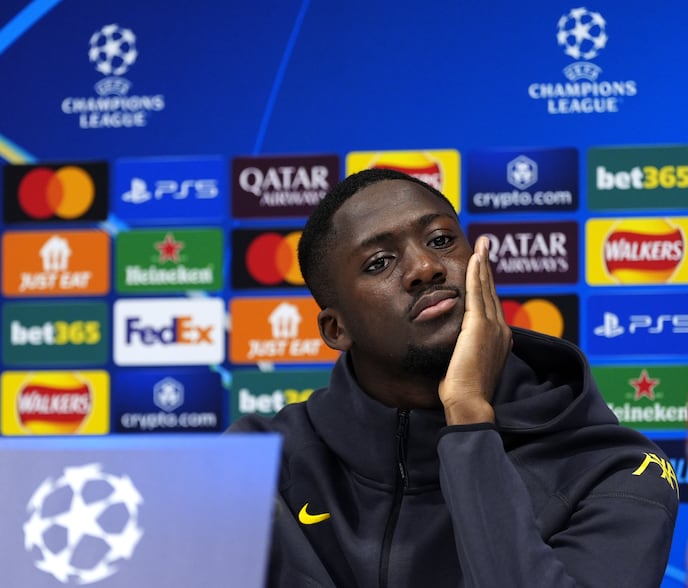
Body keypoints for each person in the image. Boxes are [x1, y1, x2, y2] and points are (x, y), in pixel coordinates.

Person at [227, 167, 678, 588]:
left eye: (441, 240)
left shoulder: (616, 469)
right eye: (380, 262)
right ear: (335, 328)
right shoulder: (257, 464)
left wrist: (468, 420)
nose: (426, 267)